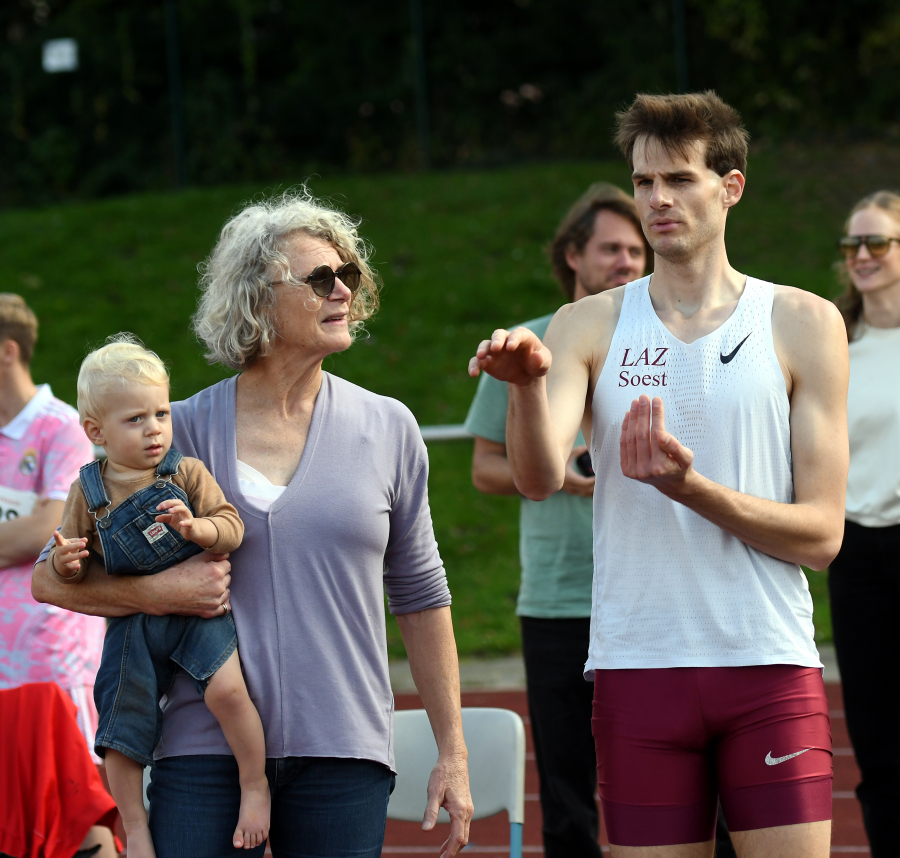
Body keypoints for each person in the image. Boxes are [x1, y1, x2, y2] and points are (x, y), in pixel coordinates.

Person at [33, 189, 473, 858]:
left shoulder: (390, 427)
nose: (342, 291)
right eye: (321, 278)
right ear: (255, 299)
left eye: (349, 275)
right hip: (199, 745)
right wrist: (159, 594)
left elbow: (420, 593)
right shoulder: (169, 431)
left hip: (343, 748)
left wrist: (454, 753)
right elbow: (50, 581)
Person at [468, 91, 848, 857]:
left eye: (678, 179)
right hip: (639, 665)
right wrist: (525, 387)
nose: (657, 200)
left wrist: (690, 488)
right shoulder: (588, 324)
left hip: (765, 666)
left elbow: (821, 535)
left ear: (730, 186)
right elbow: (538, 480)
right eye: (644, 182)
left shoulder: (803, 323)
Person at [464, 183, 647, 858]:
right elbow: (484, 467)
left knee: (672, 784)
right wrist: (554, 476)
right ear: (573, 255)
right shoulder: (526, 345)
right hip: (560, 596)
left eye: (636, 250)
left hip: (655, 592)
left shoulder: (666, 341)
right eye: (610, 249)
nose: (626, 262)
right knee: (569, 791)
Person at [49, 335, 267, 857]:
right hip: (134, 627)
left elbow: (232, 527)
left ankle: (254, 784)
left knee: (231, 694)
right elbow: (62, 564)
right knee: (121, 732)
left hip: (199, 616)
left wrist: (198, 530)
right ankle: (136, 826)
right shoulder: (88, 492)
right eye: (135, 420)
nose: (154, 430)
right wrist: (67, 561)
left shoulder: (186, 473)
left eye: (161, 414)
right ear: (96, 431)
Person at [0, 293, 116, 857]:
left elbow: (47, 530)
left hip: (51, 654)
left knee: (78, 814)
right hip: (3, 663)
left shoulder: (59, 427)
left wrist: (25, 539)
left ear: (7, 352)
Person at [830, 190, 900, 858]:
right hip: (856, 553)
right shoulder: (837, 347)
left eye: (877, 243)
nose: (862, 257)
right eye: (854, 245)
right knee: (878, 738)